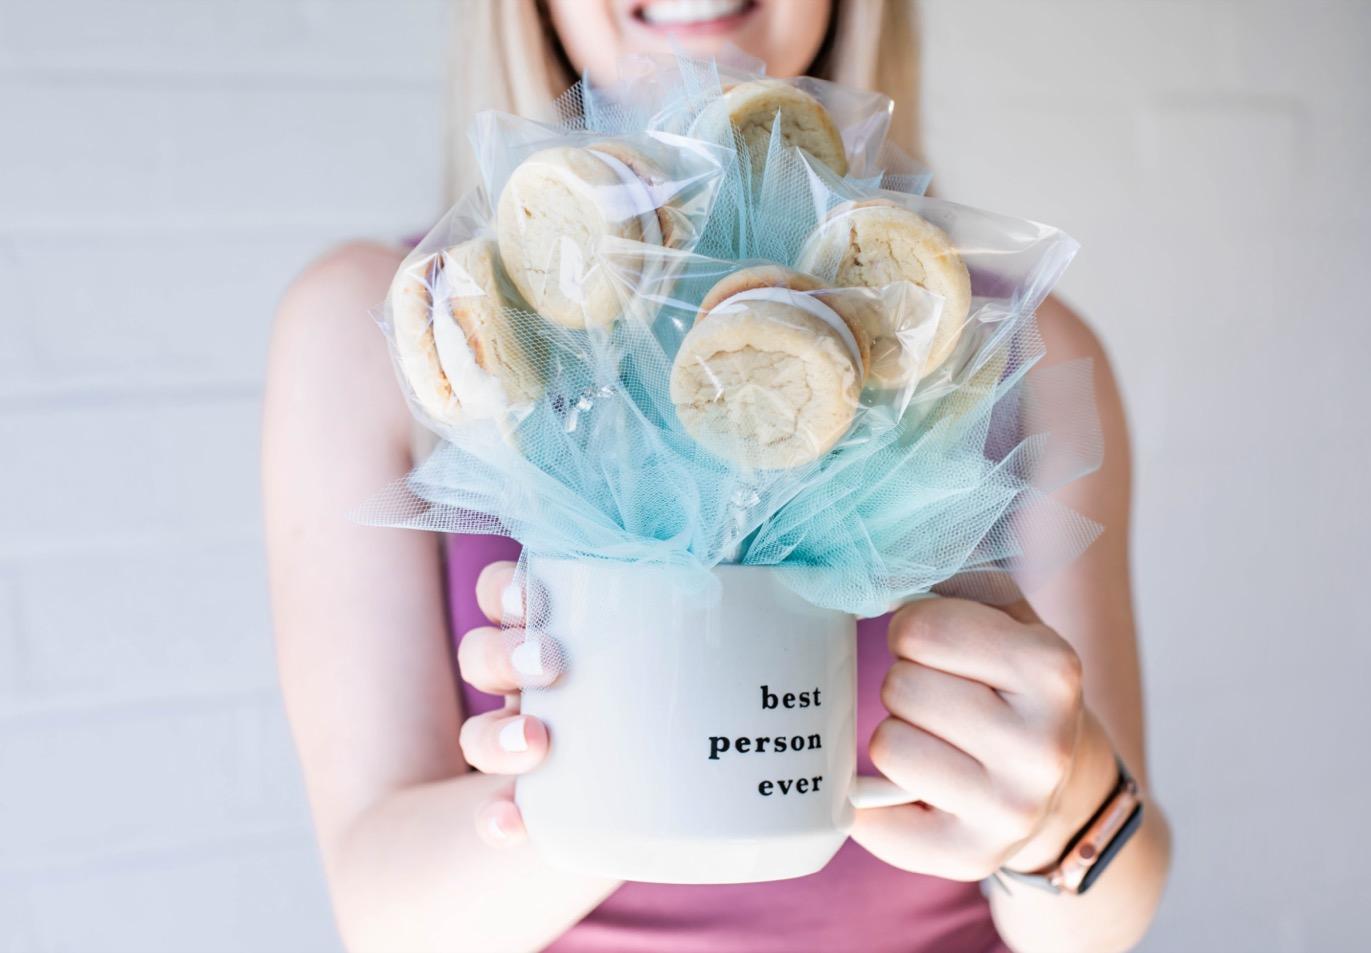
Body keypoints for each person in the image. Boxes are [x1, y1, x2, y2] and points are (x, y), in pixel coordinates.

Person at [262, 1, 1172, 950]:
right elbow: (385, 921)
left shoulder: (1006, 344)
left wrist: (1064, 807)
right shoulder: (406, 326)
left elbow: (1095, 930)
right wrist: (609, 758)